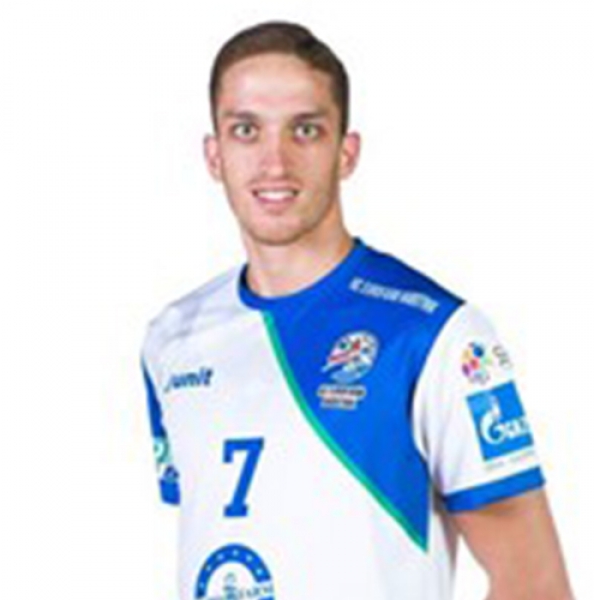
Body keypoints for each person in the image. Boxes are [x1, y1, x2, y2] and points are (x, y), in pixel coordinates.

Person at [140, 20, 573, 600]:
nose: (275, 162)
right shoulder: (172, 338)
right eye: (246, 130)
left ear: (346, 153)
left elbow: (536, 583)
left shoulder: (434, 334)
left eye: (305, 130)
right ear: (214, 155)